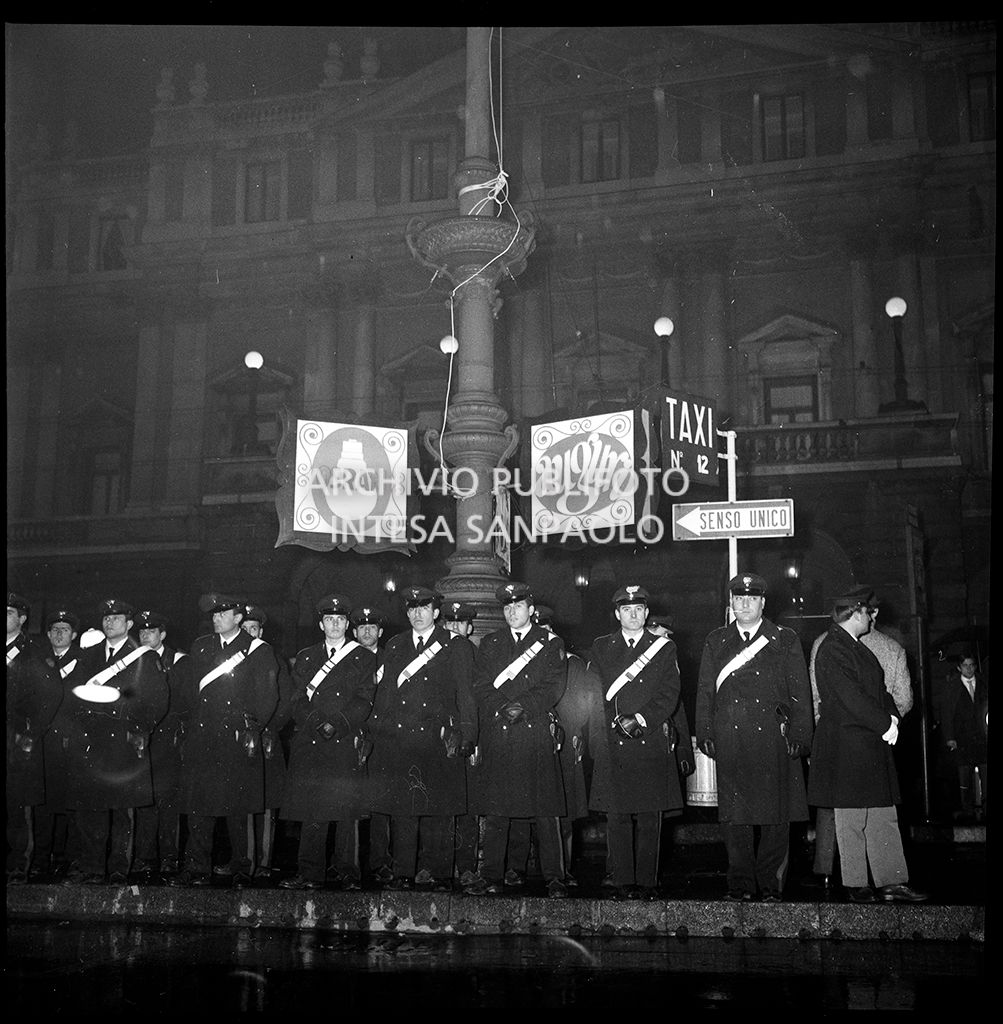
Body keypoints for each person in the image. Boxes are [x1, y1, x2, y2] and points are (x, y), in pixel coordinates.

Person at [695, 572, 813, 902]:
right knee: (736, 817)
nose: (744, 604)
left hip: (775, 738)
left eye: (752, 599)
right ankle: (740, 884)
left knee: (778, 815)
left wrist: (801, 736)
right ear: (731, 603)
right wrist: (704, 730)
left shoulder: (784, 638)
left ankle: (771, 885)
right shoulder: (716, 640)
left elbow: (800, 692)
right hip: (731, 739)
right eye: (738, 598)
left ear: (763, 603)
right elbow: (705, 690)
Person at [807, 587, 928, 904]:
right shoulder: (833, 649)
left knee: (881, 813)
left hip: (867, 743)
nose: (873, 616)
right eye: (869, 611)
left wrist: (891, 718)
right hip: (847, 744)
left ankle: (891, 880)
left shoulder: (854, 648)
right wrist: (885, 723)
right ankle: (856, 883)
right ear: (855, 612)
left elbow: (879, 691)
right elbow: (851, 698)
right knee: (851, 817)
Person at [365, 586, 476, 892]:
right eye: (412, 609)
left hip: (439, 736)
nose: (417, 613)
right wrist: (375, 731)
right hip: (401, 737)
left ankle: (439, 873)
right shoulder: (396, 645)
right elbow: (386, 692)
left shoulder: (455, 646)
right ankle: (403, 871)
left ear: (435, 612)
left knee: (439, 808)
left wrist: (468, 734)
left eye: (423, 608)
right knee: (404, 807)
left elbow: (466, 694)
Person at [464, 582, 569, 898]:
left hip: (534, 730)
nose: (512, 611)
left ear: (531, 610)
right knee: (497, 809)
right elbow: (481, 685)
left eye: (518, 606)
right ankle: (491, 874)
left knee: (545, 810)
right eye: (507, 607)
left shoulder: (550, 643)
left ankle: (555, 877)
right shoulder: (491, 643)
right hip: (500, 729)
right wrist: (501, 707)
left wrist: (523, 706)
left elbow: (554, 686)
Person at [171, 593, 278, 888]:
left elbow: (267, 696)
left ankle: (242, 867)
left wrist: (251, 729)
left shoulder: (258, 650)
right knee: (199, 805)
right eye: (214, 614)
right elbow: (190, 691)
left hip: (236, 737)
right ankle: (197, 867)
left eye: (223, 613)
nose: (216, 618)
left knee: (238, 807)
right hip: (203, 735)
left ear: (238, 618)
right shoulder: (201, 646)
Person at [62, 598, 169, 884]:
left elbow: (157, 701)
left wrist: (138, 729)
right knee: (91, 808)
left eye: (117, 618)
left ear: (129, 624)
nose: (110, 622)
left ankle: (121, 867)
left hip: (124, 738)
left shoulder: (144, 657)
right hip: (93, 740)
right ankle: (93, 867)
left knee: (124, 809)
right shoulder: (89, 655)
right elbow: (74, 692)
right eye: (106, 618)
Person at [586, 586, 684, 899]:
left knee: (649, 817)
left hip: (649, 738)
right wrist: (614, 721)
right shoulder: (602, 647)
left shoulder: (663, 648)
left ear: (646, 613)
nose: (633, 614)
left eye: (639, 609)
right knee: (617, 816)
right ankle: (622, 880)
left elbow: (669, 693)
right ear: (617, 614)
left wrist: (641, 719)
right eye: (626, 609)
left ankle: (647, 883)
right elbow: (594, 691)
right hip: (614, 739)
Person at [280, 595, 377, 890]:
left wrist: (338, 724)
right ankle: (310, 872)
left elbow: (364, 699)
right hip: (311, 740)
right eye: (329, 620)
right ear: (321, 624)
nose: (335, 624)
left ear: (347, 624)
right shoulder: (307, 656)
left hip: (343, 739)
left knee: (346, 809)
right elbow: (295, 698)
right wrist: (315, 722)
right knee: (312, 809)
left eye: (340, 620)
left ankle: (347, 871)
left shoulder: (363, 657)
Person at [533, 605, 592, 889]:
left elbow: (583, 704)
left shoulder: (571, 663)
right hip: (534, 741)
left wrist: (573, 732)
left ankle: (564, 868)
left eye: (544, 630)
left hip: (565, 742)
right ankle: (541, 867)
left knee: (565, 808)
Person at [130, 610, 192, 883]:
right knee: (144, 797)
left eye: (151, 632)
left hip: (169, 737)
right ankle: (144, 857)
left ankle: (169, 857)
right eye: (142, 632)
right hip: (140, 736)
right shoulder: (133, 661)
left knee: (168, 799)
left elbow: (185, 700)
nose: (145, 636)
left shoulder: (178, 661)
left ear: (162, 635)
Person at [6, 593, 63, 883]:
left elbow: (51, 695)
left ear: (22, 619)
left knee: (18, 801)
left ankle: (19, 865)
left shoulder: (34, 649)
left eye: (8, 613)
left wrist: (31, 733)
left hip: (16, 735)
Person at [242, 605, 296, 884]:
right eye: (245, 629)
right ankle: (242, 860)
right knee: (239, 798)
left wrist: (267, 728)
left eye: (254, 629)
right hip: (238, 739)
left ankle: (262, 860)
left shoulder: (273, 657)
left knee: (264, 800)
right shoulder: (232, 659)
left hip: (265, 740)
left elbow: (285, 701)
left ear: (261, 632)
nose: (249, 634)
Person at [32, 608, 83, 880]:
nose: (59, 633)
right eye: (55, 629)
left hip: (72, 742)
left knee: (70, 802)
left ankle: (68, 858)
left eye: (65, 629)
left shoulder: (84, 661)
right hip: (43, 741)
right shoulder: (37, 660)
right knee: (43, 801)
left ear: (74, 635)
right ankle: (41, 858)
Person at [350, 604, 393, 887]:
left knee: (381, 804)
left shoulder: (391, 660)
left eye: (372, 627)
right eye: (361, 627)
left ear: (379, 631)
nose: (367, 631)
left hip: (382, 737)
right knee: (348, 803)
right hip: (351, 734)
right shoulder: (345, 660)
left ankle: (380, 862)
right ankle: (348, 865)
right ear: (354, 632)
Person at [440, 599, 482, 888]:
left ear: (470, 627)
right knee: (442, 803)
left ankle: (466, 866)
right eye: (450, 622)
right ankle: (440, 866)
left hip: (465, 735)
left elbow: (474, 698)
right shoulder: (434, 654)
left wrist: (472, 737)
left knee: (467, 804)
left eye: (460, 623)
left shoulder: (475, 654)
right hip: (440, 735)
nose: (454, 627)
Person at [937, 652, 988, 822]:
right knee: (964, 775)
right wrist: (949, 737)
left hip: (982, 736)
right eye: (965, 665)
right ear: (959, 667)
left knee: (985, 772)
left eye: (972, 665)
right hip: (962, 738)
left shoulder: (983, 683)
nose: (969, 669)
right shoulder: (951, 687)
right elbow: (946, 713)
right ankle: (966, 809)